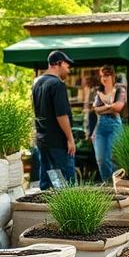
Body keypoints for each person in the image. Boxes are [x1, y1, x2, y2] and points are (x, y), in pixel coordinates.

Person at [32, 50, 77, 187]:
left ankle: (44, 208)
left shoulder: (37, 83)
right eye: (67, 66)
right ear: (59, 63)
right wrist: (70, 139)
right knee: (66, 183)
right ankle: (67, 209)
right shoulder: (57, 84)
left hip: (42, 140)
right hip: (58, 142)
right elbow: (61, 115)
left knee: (47, 181)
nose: (68, 70)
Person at [89, 65, 126, 182]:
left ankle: (118, 186)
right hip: (100, 128)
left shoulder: (120, 89)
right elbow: (95, 110)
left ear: (112, 76)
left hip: (114, 125)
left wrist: (103, 108)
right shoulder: (98, 92)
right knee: (101, 159)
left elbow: (118, 107)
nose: (103, 78)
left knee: (113, 158)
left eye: (106, 75)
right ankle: (107, 185)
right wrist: (110, 106)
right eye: (101, 76)